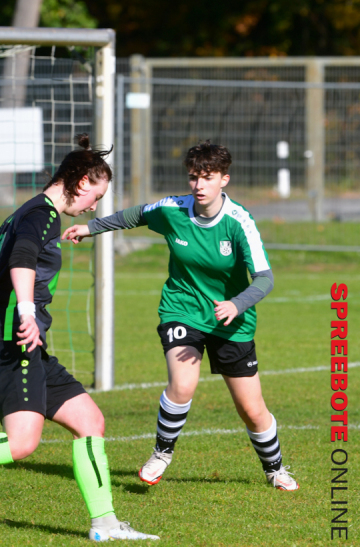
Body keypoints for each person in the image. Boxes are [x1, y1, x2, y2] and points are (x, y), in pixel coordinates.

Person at [0, 135, 159, 542]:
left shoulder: (22, 214)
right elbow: (21, 261)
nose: (94, 206)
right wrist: (25, 313)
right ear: (80, 182)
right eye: (96, 195)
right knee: (21, 442)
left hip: (16, 339)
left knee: (89, 420)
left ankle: (105, 524)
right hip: (12, 337)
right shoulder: (43, 215)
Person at [62, 140, 298, 492]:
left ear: (224, 180)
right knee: (183, 384)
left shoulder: (239, 222)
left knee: (252, 409)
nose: (199, 185)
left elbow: (265, 278)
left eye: (208, 177)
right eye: (193, 177)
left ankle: (275, 469)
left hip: (231, 322)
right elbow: (136, 215)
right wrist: (90, 227)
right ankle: (161, 453)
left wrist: (236, 304)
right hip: (182, 309)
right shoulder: (173, 209)